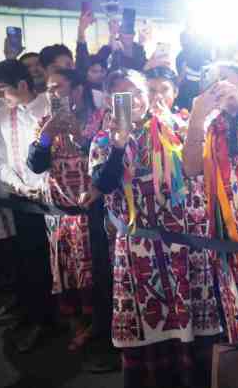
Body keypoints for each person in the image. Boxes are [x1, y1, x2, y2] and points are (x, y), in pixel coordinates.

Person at [89, 69, 218, 387]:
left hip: (186, 247)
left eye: (137, 92)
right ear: (108, 101)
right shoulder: (104, 140)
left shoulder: (175, 126)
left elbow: (195, 169)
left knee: (193, 332)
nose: (133, 100)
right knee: (150, 334)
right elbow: (104, 184)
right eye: (122, 95)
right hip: (139, 251)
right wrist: (119, 144)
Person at [182, 61, 238, 345]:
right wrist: (196, 119)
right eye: (215, 84)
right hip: (229, 240)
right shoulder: (210, 127)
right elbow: (190, 168)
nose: (222, 87)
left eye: (228, 80)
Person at [26, 68, 104, 355]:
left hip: (89, 212)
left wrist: (78, 136)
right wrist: (47, 134)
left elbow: (104, 163)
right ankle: (76, 326)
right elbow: (35, 164)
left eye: (59, 88)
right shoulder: (43, 124)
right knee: (66, 274)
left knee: (93, 274)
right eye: (50, 89)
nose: (54, 94)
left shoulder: (97, 121)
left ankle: (98, 330)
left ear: (77, 90)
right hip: (58, 212)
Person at [0, 59, 53, 353]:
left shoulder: (48, 107)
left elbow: (56, 153)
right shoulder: (3, 116)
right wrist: (18, 185)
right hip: (20, 198)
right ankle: (34, 316)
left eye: (2, 90)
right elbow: (0, 160)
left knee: (53, 260)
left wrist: (40, 187)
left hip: (52, 202)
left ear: (21, 85)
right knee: (27, 258)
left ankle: (50, 319)